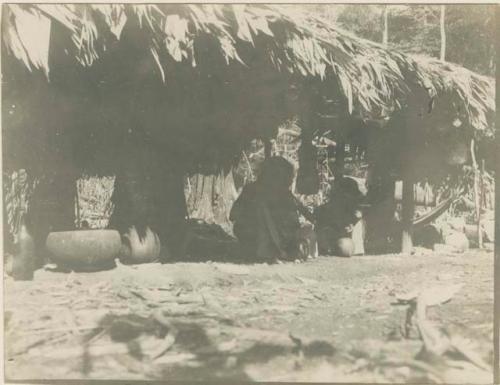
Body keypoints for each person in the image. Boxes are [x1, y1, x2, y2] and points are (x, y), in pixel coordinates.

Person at [230, 156, 315, 262]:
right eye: (287, 178)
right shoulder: (252, 191)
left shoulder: (285, 194)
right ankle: (268, 251)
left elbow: (307, 215)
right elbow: (234, 215)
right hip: (254, 237)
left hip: (279, 240)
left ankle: (276, 250)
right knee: (261, 209)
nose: (289, 182)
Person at [315, 177, 365, 256]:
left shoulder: (353, 211)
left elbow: (355, 219)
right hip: (332, 238)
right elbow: (322, 225)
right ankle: (328, 249)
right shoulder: (326, 209)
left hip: (346, 240)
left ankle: (357, 249)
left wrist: (351, 224)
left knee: (358, 225)